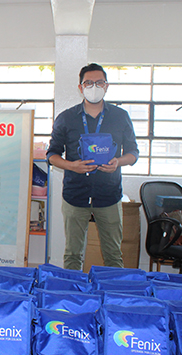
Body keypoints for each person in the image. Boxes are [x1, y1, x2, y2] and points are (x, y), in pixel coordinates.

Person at [47, 63, 139, 270]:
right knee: (72, 255)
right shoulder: (66, 118)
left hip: (109, 194)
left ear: (106, 86)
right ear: (80, 87)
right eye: (88, 83)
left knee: (113, 254)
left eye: (99, 82)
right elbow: (52, 154)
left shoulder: (120, 116)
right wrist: (71, 165)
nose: (94, 87)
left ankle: (115, 299)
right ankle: (74, 300)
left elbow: (133, 153)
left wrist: (118, 162)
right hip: (75, 194)